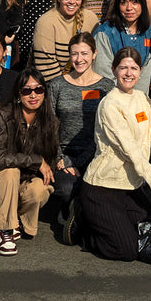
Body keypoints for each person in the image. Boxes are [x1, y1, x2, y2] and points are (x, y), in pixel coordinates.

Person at [80, 47, 151, 262]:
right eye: (123, 68)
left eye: (133, 68)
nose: (128, 73)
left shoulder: (142, 98)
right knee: (126, 250)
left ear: (141, 71)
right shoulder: (110, 105)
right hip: (101, 188)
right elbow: (133, 153)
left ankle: (107, 224)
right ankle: (85, 231)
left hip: (131, 187)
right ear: (114, 70)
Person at [0, 68, 58, 255]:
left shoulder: (49, 121)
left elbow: (50, 161)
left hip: (20, 187)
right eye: (26, 90)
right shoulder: (4, 116)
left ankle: (18, 220)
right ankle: (4, 230)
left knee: (40, 188)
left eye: (39, 89)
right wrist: (35, 160)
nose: (33, 95)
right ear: (18, 94)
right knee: (10, 170)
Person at [48, 32, 114, 244]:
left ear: (94, 54)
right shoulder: (57, 85)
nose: (79, 59)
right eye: (74, 54)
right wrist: (60, 158)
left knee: (97, 189)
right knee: (68, 188)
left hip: (95, 154)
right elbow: (48, 127)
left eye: (84, 53)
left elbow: (106, 131)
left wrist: (77, 162)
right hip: (62, 155)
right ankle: (72, 213)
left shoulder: (106, 87)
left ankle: (80, 220)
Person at [34, 0, 100, 83]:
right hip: (56, 85)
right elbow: (46, 67)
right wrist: (68, 88)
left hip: (86, 82)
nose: (72, 1)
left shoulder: (91, 19)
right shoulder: (46, 22)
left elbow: (96, 58)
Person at [94, 0, 151, 92]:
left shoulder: (148, 32)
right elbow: (104, 75)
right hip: (112, 98)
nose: (129, 8)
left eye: (135, 2)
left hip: (138, 99)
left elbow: (145, 73)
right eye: (123, 3)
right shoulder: (105, 33)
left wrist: (137, 99)